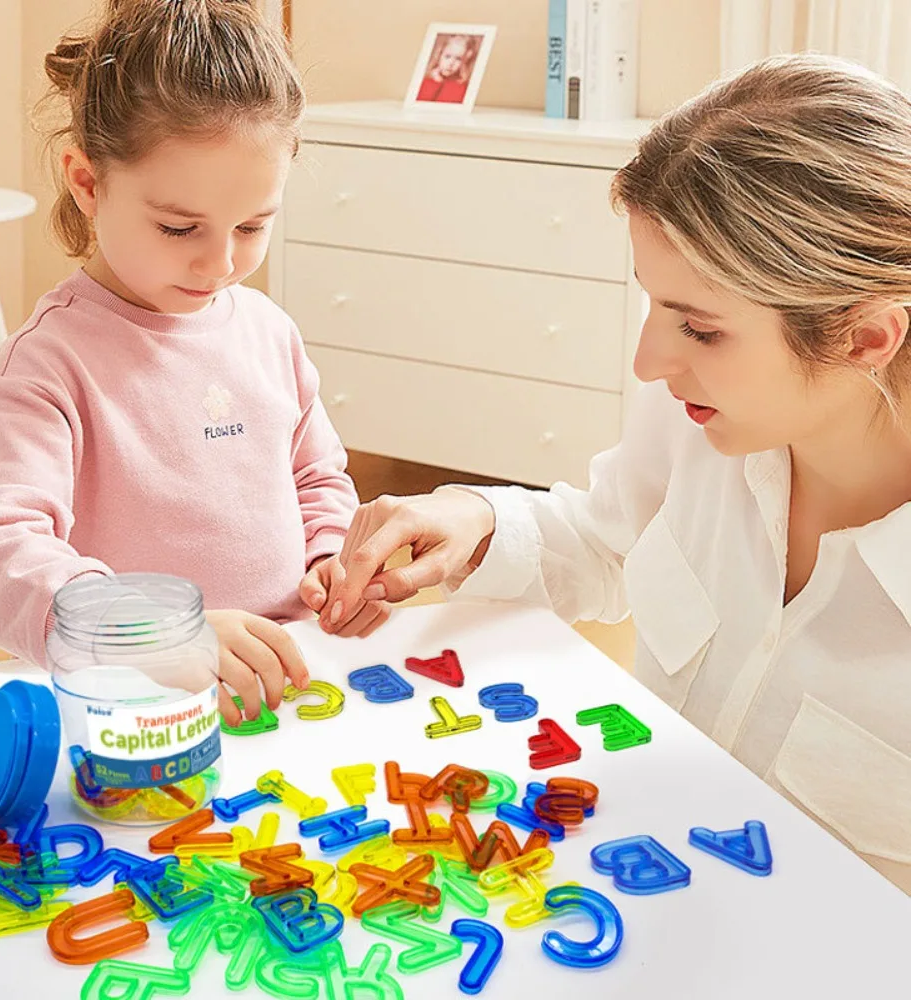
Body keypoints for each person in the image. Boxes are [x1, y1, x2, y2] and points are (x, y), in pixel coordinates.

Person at [331, 54, 911, 893]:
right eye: (653, 304)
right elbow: (609, 540)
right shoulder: (705, 419)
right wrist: (477, 521)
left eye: (700, 329)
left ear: (865, 338)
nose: (648, 363)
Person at [0, 0, 388, 727]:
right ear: (88, 184)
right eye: (179, 226)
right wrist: (154, 634)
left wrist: (329, 561)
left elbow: (315, 476)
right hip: (137, 710)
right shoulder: (47, 364)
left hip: (288, 686)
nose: (220, 262)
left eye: (252, 225)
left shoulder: (269, 332)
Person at [416, 34, 476, 104]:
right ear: (439, 55)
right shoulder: (426, 81)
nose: (451, 63)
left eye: (458, 59)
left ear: (465, 62)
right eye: (447, 56)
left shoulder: (461, 87)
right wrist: (436, 82)